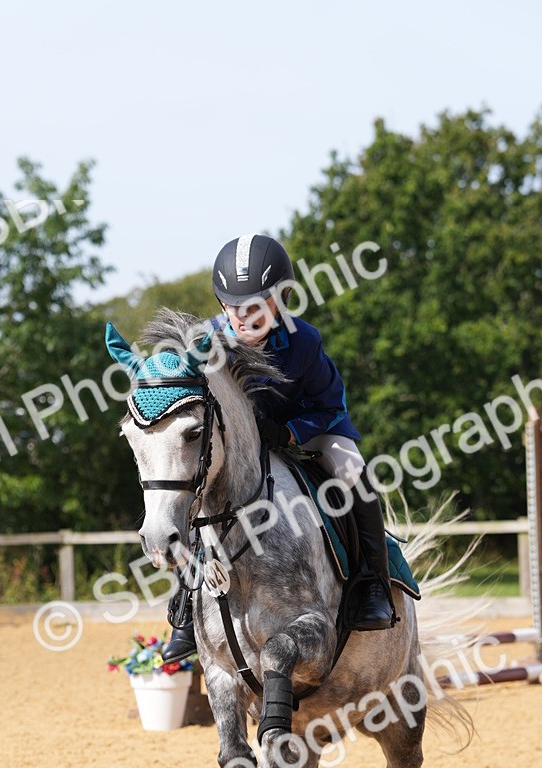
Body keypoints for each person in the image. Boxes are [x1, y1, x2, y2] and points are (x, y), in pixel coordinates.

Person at [162, 233, 394, 664]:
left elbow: (330, 406)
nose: (243, 315)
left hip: (308, 429)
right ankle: (184, 609)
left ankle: (373, 584)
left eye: (256, 303)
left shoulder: (304, 340)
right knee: (194, 485)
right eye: (233, 305)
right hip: (239, 445)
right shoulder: (204, 343)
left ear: (280, 299)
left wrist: (287, 433)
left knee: (352, 472)